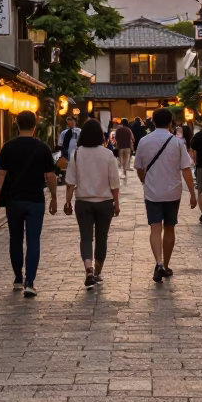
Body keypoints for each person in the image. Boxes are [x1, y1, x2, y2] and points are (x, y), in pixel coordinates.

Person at [0, 110, 59, 297]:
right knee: (33, 241)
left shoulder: (8, 147)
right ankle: (30, 282)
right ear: (35, 126)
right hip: (35, 200)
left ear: (17, 125)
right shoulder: (43, 148)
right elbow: (50, 175)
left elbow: (1, 174)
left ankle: (17, 278)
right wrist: (54, 197)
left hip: (14, 200)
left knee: (15, 239)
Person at [133, 108, 196, 283]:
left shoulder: (144, 141)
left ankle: (159, 263)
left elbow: (139, 167)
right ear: (170, 122)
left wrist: (144, 180)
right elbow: (186, 169)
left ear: (153, 122)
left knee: (155, 227)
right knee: (169, 227)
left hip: (152, 191)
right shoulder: (177, 143)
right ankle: (166, 265)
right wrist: (192, 192)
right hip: (172, 192)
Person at [64, 120, 121, 289]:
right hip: (104, 202)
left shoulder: (76, 154)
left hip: (83, 202)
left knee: (86, 236)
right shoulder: (107, 154)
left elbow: (70, 182)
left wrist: (67, 201)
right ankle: (97, 271)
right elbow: (114, 182)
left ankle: (88, 268)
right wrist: (116, 203)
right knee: (102, 237)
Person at [113, 117, 134, 182]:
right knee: (126, 161)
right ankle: (124, 173)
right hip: (127, 147)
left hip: (120, 147)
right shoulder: (128, 130)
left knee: (121, 161)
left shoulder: (117, 130)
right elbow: (132, 138)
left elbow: (115, 139)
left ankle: (122, 173)